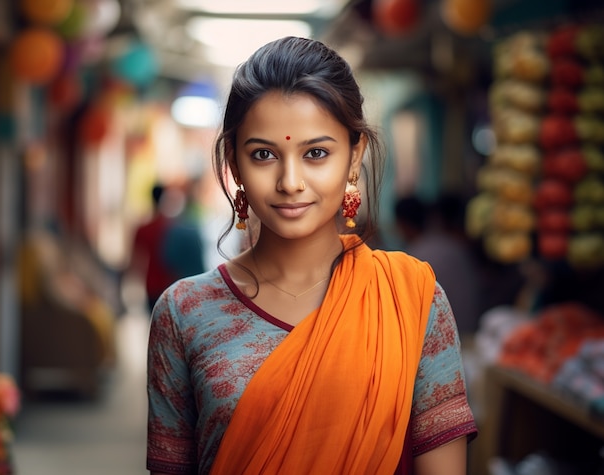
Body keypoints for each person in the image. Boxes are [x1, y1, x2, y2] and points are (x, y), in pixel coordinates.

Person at [146, 36, 477, 475]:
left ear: (354, 156)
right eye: (264, 154)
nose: (290, 181)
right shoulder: (184, 312)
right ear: (234, 161)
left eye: (316, 153)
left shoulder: (411, 300)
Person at [394, 193, 482, 335]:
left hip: (444, 339)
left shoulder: (415, 257)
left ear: (401, 224)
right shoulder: (455, 247)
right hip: (470, 332)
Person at [129, 183, 179, 312]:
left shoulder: (143, 229)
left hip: (151, 283)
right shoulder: (172, 227)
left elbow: (135, 260)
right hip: (170, 283)